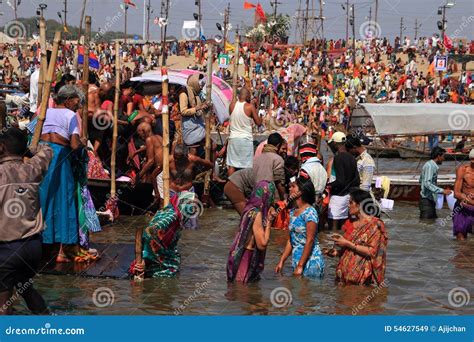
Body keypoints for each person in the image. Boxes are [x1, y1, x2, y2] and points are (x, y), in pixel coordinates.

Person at [0, 128, 52, 314]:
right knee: (25, 288)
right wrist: (28, 150)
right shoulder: (32, 169)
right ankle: (49, 323)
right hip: (33, 247)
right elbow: (47, 150)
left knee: (3, 304)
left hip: (7, 248)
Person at [39, 85, 86, 262]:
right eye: (77, 101)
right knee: (64, 200)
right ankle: (61, 251)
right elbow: (74, 145)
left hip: (41, 156)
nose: (78, 105)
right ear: (68, 100)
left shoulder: (44, 111)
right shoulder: (70, 115)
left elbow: (32, 134)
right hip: (60, 157)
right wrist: (83, 144)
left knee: (44, 199)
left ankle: (44, 246)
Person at [326, 189, 387, 286]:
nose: (348, 205)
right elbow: (347, 251)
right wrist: (336, 253)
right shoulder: (349, 223)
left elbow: (372, 252)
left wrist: (347, 243)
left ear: (359, 205)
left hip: (362, 280)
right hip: (343, 279)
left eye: (351, 202)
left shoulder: (375, 225)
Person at [132, 191, 197, 278]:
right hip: (157, 251)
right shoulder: (172, 216)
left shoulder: (175, 214)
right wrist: (145, 256)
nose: (195, 209)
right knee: (166, 273)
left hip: (163, 250)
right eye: (192, 205)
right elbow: (150, 231)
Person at [224, 133, 286, 215]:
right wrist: (284, 198)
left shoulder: (258, 157)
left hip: (232, 184)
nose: (284, 151)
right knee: (250, 220)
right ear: (278, 146)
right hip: (235, 186)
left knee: (253, 220)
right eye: (283, 148)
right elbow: (279, 183)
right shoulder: (278, 159)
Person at [227, 181, 277, 283]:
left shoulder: (248, 209)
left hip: (239, 258)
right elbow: (262, 244)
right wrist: (269, 223)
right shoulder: (257, 214)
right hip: (246, 260)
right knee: (244, 293)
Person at [275, 177, 325, 278]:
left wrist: (300, 265)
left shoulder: (310, 212)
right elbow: (291, 240)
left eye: (293, 187)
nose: (290, 189)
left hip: (310, 262)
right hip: (297, 260)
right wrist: (282, 261)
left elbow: (310, 240)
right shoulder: (293, 212)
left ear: (301, 192)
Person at [327, 132, 360, 230]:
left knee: (332, 226)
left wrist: (328, 185)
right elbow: (357, 180)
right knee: (344, 225)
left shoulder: (338, 158)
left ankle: (332, 244)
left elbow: (340, 181)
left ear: (336, 144)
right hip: (348, 196)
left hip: (338, 197)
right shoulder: (352, 158)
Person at [226, 87, 262, 175]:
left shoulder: (232, 105)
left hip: (233, 138)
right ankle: (244, 185)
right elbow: (258, 123)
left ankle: (231, 183)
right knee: (246, 165)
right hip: (245, 139)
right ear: (248, 96)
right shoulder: (250, 107)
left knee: (232, 165)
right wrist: (256, 108)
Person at [179, 74, 209, 158]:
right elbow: (183, 111)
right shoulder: (184, 94)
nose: (200, 88)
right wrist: (197, 108)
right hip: (190, 128)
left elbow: (198, 108)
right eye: (200, 85)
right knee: (194, 151)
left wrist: (203, 106)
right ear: (194, 83)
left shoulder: (196, 94)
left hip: (198, 125)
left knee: (211, 145)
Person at [419, 146, 452, 219]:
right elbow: (427, 183)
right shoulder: (430, 166)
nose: (444, 158)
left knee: (431, 223)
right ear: (438, 156)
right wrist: (442, 191)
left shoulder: (432, 165)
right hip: (426, 201)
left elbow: (421, 180)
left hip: (430, 200)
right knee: (426, 225)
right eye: (443, 156)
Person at [452, 149, 474, 240]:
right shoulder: (462, 170)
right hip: (462, 208)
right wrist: (472, 202)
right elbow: (456, 193)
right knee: (461, 238)